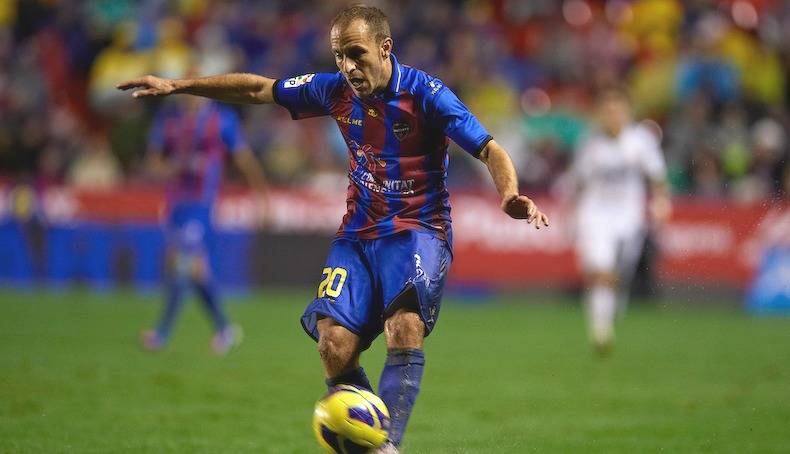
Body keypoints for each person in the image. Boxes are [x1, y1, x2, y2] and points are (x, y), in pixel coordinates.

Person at [119, 5, 548, 451]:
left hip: (418, 229)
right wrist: (179, 85)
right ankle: (368, 438)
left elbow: (490, 150)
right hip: (358, 233)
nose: (347, 66)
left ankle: (387, 446)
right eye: (339, 55)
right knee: (333, 345)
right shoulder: (333, 90)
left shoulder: (428, 95)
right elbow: (259, 89)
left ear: (385, 48)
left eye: (356, 53)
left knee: (404, 326)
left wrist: (508, 195)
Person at [140, 90, 267, 355]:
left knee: (184, 263)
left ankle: (162, 334)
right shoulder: (170, 119)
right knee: (192, 270)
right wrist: (168, 169)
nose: (192, 96)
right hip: (175, 204)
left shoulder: (221, 119)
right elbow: (154, 162)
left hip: (201, 203)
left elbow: (243, 158)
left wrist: (261, 196)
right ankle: (225, 328)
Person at [569, 86, 671, 355]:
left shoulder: (641, 141)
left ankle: (611, 308)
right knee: (602, 269)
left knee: (621, 273)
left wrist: (661, 201)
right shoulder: (589, 143)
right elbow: (578, 182)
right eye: (607, 111)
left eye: (617, 110)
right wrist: (571, 217)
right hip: (595, 214)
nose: (612, 116)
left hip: (628, 217)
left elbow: (657, 177)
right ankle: (601, 331)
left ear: (627, 112)